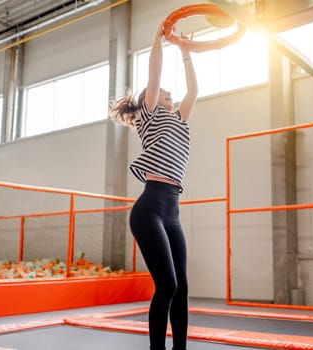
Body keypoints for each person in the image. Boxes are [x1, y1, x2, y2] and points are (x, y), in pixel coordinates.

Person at [108, 22, 198, 350]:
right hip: (149, 210)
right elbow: (155, 72)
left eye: (169, 93)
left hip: (171, 210)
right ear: (149, 100)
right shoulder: (149, 116)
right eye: (163, 92)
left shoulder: (179, 119)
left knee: (183, 287)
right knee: (168, 285)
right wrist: (158, 36)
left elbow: (193, 92)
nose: (169, 94)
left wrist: (186, 52)